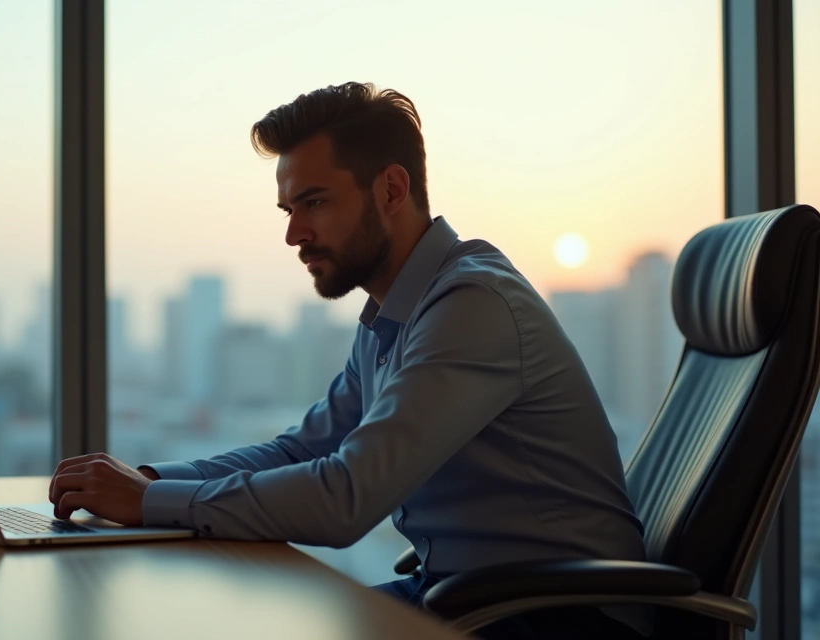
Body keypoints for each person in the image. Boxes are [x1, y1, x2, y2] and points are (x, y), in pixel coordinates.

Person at [48, 82, 647, 639]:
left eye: (313, 203)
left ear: (391, 190)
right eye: (288, 210)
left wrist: (146, 504)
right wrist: (150, 482)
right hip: (469, 598)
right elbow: (301, 450)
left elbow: (346, 498)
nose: (294, 234)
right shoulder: (394, 314)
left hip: (563, 617)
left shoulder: (473, 304)